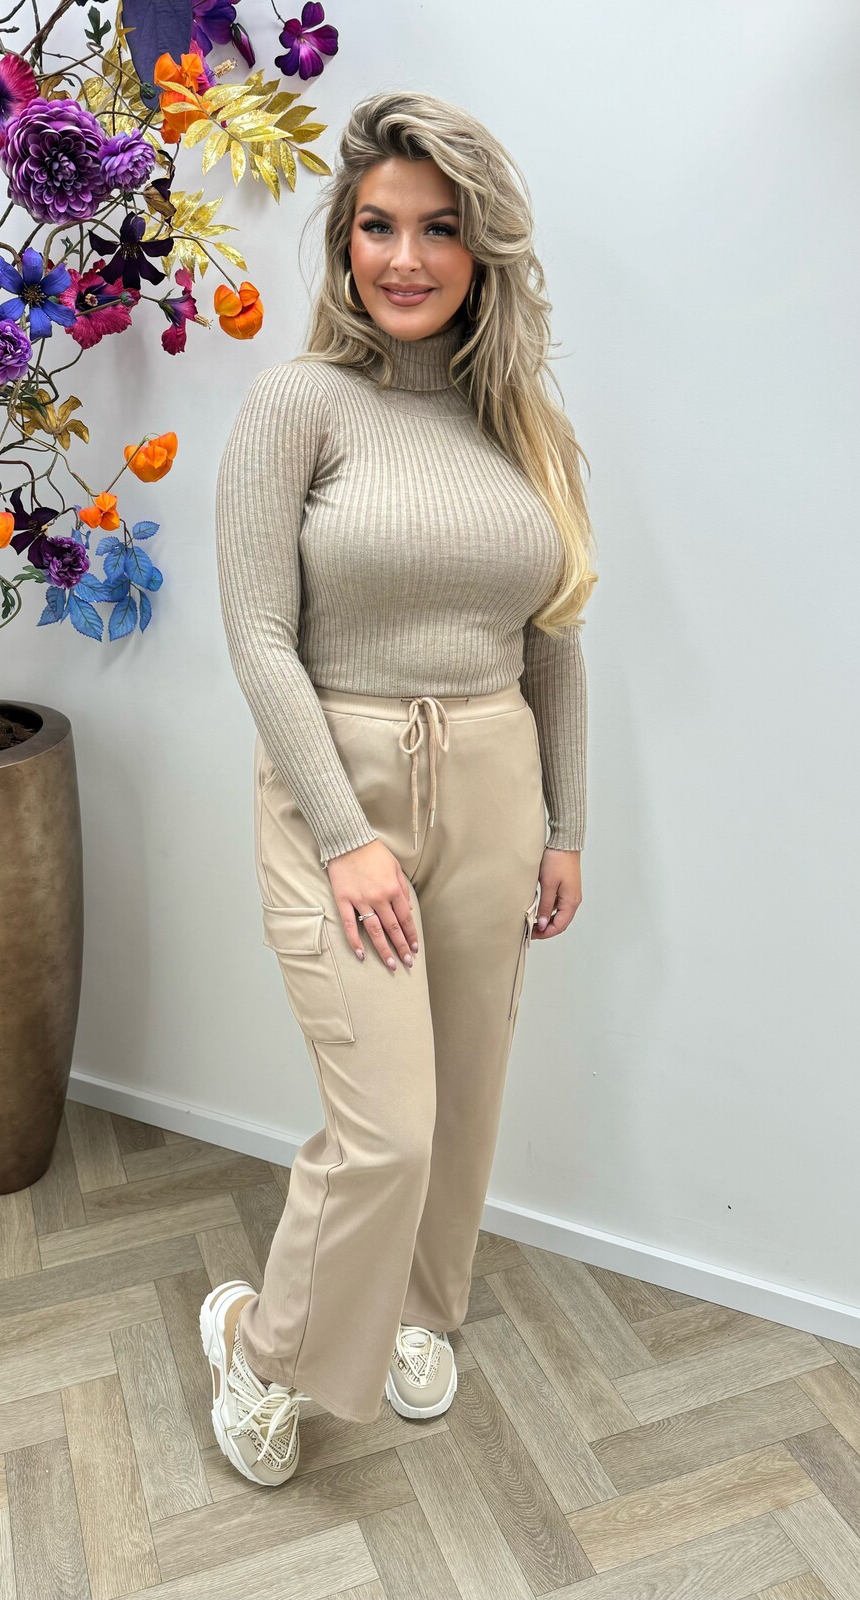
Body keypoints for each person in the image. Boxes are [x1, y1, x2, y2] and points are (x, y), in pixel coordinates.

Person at [203, 90, 597, 1487]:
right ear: (344, 242)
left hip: (495, 781)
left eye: (439, 229)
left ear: (484, 251)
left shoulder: (523, 427)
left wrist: (565, 824)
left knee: (467, 1095)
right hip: (342, 784)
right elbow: (258, 635)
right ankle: (259, 1347)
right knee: (388, 1128)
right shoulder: (297, 405)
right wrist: (345, 832)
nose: (406, 258)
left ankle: (425, 1310)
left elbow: (556, 641)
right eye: (378, 226)